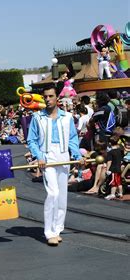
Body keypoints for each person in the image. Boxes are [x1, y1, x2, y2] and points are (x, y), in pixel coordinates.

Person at [27, 86, 85, 246]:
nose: (47, 99)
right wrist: (39, 156)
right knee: (52, 193)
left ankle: (58, 228)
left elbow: (73, 138)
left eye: (50, 96)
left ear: (56, 98)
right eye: (45, 96)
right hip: (47, 157)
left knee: (62, 195)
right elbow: (31, 140)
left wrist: (78, 155)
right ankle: (49, 232)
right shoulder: (37, 117)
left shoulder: (67, 117)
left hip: (63, 156)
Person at [104, 136, 124, 200]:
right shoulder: (120, 151)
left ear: (110, 143)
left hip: (113, 169)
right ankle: (120, 193)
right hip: (118, 168)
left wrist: (107, 170)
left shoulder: (110, 152)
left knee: (113, 182)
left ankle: (112, 194)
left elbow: (109, 161)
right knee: (119, 182)